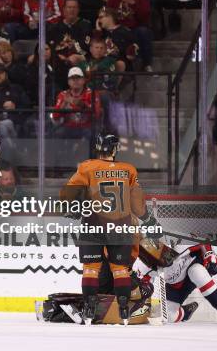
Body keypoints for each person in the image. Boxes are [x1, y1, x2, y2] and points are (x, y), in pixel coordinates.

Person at [60, 132, 158, 325]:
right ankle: (123, 310)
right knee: (120, 270)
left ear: (98, 148)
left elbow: (67, 194)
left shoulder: (87, 167)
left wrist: (70, 207)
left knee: (90, 269)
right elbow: (137, 203)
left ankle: (89, 309)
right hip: (120, 226)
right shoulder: (129, 170)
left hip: (92, 224)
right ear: (114, 149)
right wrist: (148, 219)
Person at [134, 242, 217, 324]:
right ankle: (186, 312)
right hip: (175, 287)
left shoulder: (178, 248)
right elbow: (142, 288)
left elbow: (205, 246)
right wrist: (143, 290)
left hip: (191, 272)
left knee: (196, 271)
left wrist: (211, 259)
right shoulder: (143, 268)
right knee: (168, 316)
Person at [107, 0, 153, 71]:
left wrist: (133, 3)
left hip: (134, 28)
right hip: (118, 29)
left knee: (144, 32)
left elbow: (145, 17)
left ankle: (146, 64)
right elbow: (108, 15)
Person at [50, 67, 101, 139]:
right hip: (68, 128)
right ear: (68, 82)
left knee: (89, 135)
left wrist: (81, 104)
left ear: (83, 80)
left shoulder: (92, 94)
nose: (75, 80)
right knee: (57, 133)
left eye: (78, 78)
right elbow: (55, 117)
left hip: (86, 128)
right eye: (72, 78)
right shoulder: (63, 95)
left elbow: (97, 114)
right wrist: (63, 104)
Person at [93, 6, 138, 72]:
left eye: (101, 17)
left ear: (110, 17)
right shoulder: (101, 33)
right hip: (101, 65)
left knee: (118, 63)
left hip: (119, 67)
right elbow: (93, 51)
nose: (99, 20)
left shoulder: (124, 32)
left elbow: (131, 56)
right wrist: (98, 32)